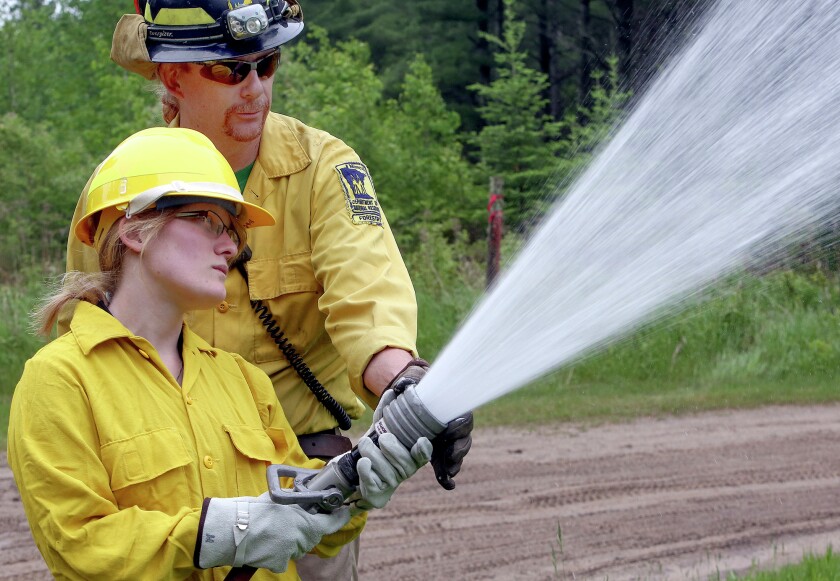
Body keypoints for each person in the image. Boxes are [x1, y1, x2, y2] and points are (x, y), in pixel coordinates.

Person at [64, 2, 473, 577]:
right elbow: (88, 339)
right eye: (232, 70)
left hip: (306, 477)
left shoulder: (325, 169)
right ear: (173, 76)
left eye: (268, 63)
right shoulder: (118, 192)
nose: (256, 88)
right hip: (167, 488)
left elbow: (367, 291)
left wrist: (404, 385)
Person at [12, 127, 432, 580]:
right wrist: (230, 531)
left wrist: (356, 483)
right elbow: (81, 547)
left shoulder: (243, 381)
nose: (231, 246)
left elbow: (317, 531)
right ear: (134, 229)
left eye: (233, 230)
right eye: (208, 220)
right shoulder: (59, 380)